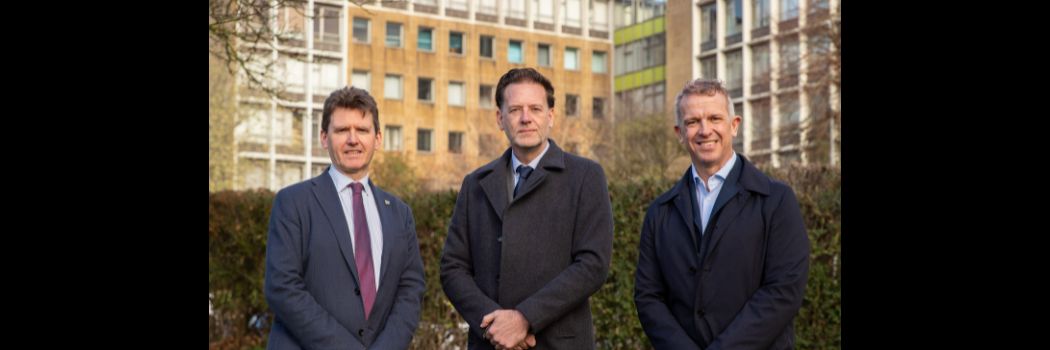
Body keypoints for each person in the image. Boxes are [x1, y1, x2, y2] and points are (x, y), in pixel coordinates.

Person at [440, 68, 614, 350]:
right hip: (491, 342)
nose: (525, 118)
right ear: (500, 118)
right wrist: (495, 327)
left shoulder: (585, 176)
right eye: (515, 109)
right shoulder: (475, 184)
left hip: (558, 343)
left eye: (535, 108)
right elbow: (453, 268)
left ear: (551, 116)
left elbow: (593, 264)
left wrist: (524, 319)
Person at [634, 79, 810, 349]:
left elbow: (783, 291)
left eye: (715, 118)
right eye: (693, 122)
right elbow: (648, 297)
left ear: (734, 125)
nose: (705, 130)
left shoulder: (776, 201)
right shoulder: (660, 213)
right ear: (679, 132)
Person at [264, 86, 425, 349]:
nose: (353, 139)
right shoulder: (293, 203)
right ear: (324, 138)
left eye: (362, 130)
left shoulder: (400, 213)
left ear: (378, 138)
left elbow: (410, 291)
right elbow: (282, 288)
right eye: (341, 130)